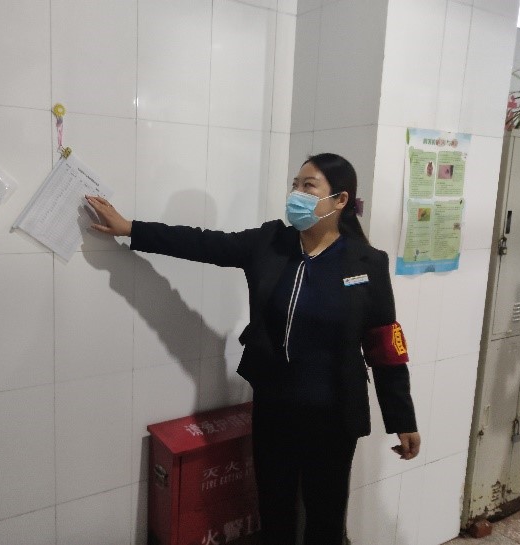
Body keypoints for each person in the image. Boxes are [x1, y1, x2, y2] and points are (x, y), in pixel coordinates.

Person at [85, 153, 420, 545]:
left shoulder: (366, 263)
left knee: (326, 516)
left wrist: (403, 418)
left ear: (340, 200)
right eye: (295, 184)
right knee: (274, 511)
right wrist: (131, 229)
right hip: (275, 408)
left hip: (334, 416)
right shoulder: (270, 243)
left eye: (308, 186)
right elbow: (202, 242)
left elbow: (386, 347)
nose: (296, 194)